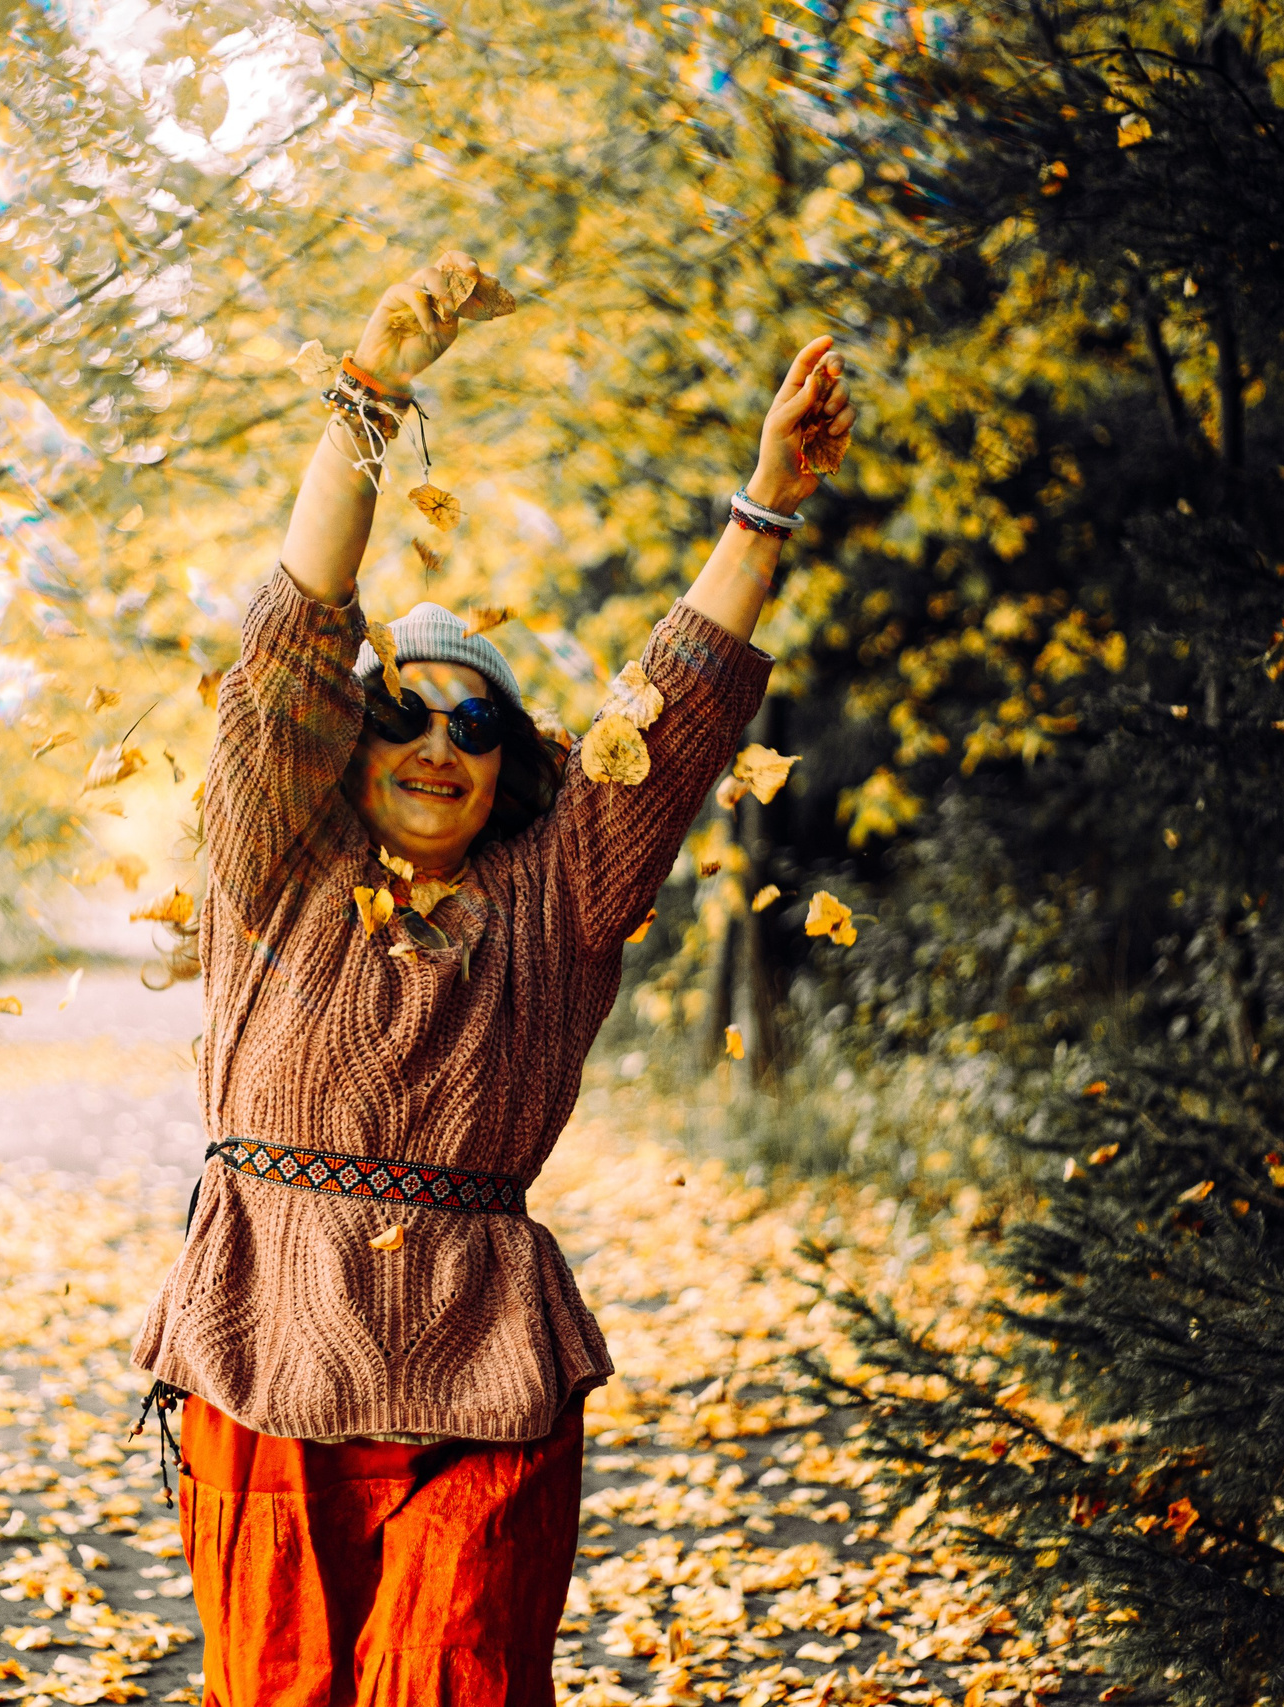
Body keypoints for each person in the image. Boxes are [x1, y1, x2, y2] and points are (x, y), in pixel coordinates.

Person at [131, 249, 854, 1706]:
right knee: (279, 1689)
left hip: (486, 1364)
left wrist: (765, 504)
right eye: (403, 712)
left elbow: (678, 712)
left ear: (511, 762)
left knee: (451, 1685)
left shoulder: (559, 900)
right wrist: (372, 393)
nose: (438, 744)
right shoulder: (277, 869)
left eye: (474, 724)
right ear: (352, 738)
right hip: (264, 1331)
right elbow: (290, 630)